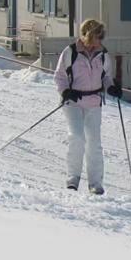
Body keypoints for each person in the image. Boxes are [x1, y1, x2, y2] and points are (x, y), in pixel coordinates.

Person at [53, 18, 122, 194]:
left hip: (94, 102)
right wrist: (65, 92)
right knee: (77, 137)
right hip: (73, 102)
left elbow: (106, 76)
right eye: (98, 36)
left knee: (94, 143)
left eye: (102, 36)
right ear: (88, 36)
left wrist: (112, 87)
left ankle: (95, 183)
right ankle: (73, 178)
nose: (101, 40)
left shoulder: (103, 54)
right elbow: (59, 76)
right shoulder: (70, 52)